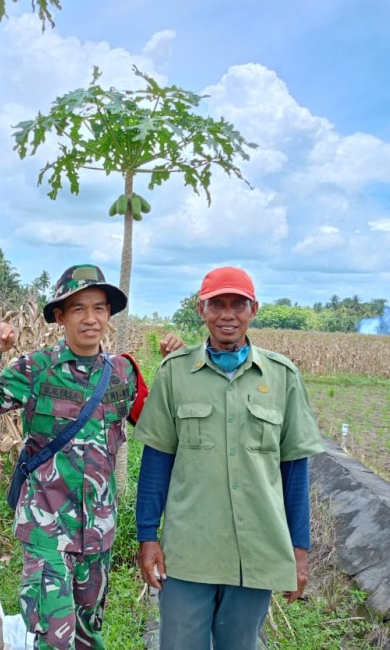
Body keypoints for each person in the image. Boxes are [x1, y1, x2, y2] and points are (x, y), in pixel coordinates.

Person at [133, 266, 325, 649]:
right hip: (188, 551)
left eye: (238, 304)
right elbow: (157, 462)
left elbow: (294, 471)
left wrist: (299, 551)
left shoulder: (282, 377)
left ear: (254, 309)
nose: (227, 315)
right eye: (217, 304)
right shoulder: (175, 373)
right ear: (201, 310)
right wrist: (147, 537)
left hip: (256, 550)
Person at [0, 264, 153, 650]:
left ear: (108, 314)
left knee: (86, 634)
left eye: (99, 308)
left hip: (99, 530)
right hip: (47, 527)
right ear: (60, 316)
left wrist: (175, 362)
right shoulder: (35, 369)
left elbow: (158, 425)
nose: (90, 318)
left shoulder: (123, 374)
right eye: (78, 309)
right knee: (55, 636)